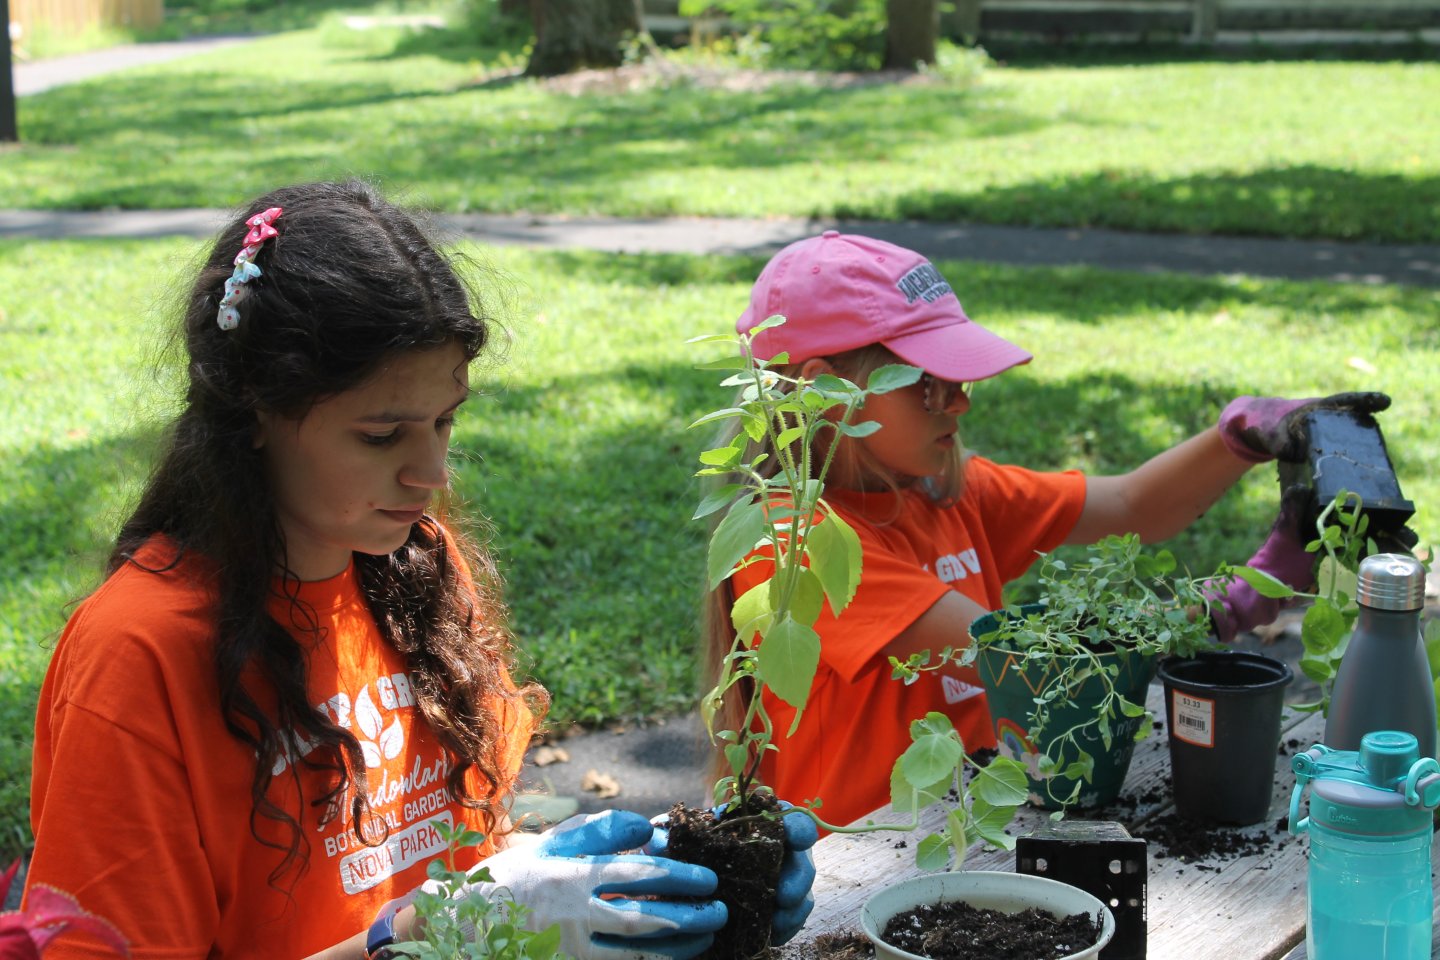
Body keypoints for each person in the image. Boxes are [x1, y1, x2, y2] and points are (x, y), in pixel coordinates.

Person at [23, 181, 813, 960]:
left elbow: (469, 872)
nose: (430, 473)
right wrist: (416, 938)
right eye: (381, 435)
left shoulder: (413, 570)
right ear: (256, 409)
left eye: (444, 422)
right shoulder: (139, 655)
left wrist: (642, 880)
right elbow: (444, 917)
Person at [701, 230, 1389, 831]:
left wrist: (1241, 436)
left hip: (965, 835)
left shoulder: (947, 494)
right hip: (851, 876)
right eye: (929, 384)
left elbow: (1131, 507)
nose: (960, 401)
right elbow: (1040, 667)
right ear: (826, 392)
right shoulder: (792, 545)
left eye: (959, 380)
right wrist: (1246, 594)